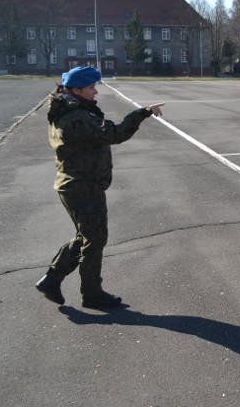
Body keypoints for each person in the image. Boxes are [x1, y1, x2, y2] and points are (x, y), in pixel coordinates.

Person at [35, 66, 164, 308]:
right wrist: (142, 113)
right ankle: (92, 294)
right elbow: (115, 133)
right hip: (83, 186)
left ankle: (52, 280)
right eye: (92, 87)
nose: (96, 92)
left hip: (73, 184)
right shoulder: (76, 116)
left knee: (86, 236)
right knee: (94, 240)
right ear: (76, 89)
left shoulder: (66, 109)